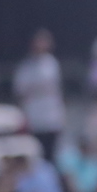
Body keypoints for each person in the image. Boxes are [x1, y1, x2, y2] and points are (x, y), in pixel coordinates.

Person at [13, 28, 66, 163]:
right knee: (35, 156)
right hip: (34, 120)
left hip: (51, 119)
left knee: (51, 156)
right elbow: (19, 92)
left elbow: (55, 90)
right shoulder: (25, 67)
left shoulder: (52, 64)